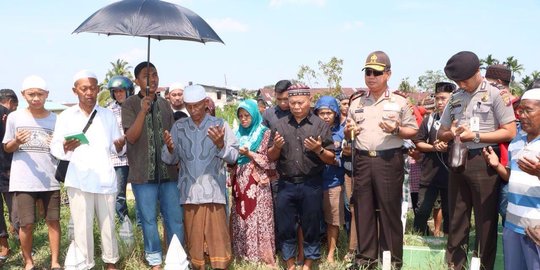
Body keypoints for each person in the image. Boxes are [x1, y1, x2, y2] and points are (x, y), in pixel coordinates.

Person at [438, 51, 516, 270]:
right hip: (458, 159)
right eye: (457, 81)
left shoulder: (495, 95)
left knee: (485, 221)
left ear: (477, 72)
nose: (462, 84)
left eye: (465, 80)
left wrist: (476, 136)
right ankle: (455, 265)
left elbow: (509, 131)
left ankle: (482, 266)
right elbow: (441, 132)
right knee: (457, 218)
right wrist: (450, 132)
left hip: (484, 160)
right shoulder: (455, 97)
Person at [344, 51, 418, 269]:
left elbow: (413, 130)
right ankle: (366, 259)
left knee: (389, 211)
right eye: (368, 72)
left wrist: (396, 129)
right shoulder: (356, 102)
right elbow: (349, 132)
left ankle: (391, 260)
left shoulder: (400, 102)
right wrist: (350, 131)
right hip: (363, 160)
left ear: (388, 74)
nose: (371, 77)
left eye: (376, 72)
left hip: (389, 160)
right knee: (363, 210)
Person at [50, 70, 126, 270]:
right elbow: (55, 147)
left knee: (108, 225)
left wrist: (120, 145)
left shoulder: (108, 115)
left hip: (104, 177)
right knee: (82, 227)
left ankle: (111, 262)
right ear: (75, 91)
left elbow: (118, 146)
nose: (89, 92)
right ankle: (85, 263)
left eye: (93, 88)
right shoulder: (66, 116)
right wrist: (66, 148)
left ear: (98, 89)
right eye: (84, 89)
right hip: (78, 179)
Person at [162, 85, 238, 270]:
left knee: (218, 238)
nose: (193, 110)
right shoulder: (179, 127)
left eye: (197, 105)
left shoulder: (219, 124)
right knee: (194, 240)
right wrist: (171, 149)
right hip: (190, 193)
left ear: (205, 103)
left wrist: (221, 145)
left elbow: (234, 157)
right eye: (189, 106)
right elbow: (168, 159)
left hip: (214, 192)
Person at [121, 62, 184, 269]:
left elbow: (173, 139)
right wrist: (143, 111)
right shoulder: (130, 104)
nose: (153, 79)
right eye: (147, 75)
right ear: (137, 81)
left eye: (155, 74)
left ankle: (177, 258)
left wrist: (170, 143)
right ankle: (155, 259)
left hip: (168, 173)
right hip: (142, 174)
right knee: (148, 219)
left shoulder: (165, 105)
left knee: (174, 218)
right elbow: (131, 137)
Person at [268, 83, 335, 270]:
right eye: (293, 103)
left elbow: (330, 159)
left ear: (309, 101)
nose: (296, 106)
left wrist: (318, 149)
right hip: (286, 184)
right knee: (286, 226)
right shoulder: (279, 125)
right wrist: (277, 147)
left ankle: (307, 263)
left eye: (300, 102)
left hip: (311, 184)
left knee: (311, 226)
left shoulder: (320, 125)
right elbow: (271, 156)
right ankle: (289, 264)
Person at [2, 76, 60, 270]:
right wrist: (17, 142)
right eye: (31, 94)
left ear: (47, 95)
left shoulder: (55, 119)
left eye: (40, 94)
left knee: (53, 221)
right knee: (26, 224)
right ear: (23, 95)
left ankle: (54, 262)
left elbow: (60, 149)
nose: (36, 98)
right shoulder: (14, 117)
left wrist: (56, 144)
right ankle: (28, 261)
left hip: (50, 178)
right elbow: (7, 148)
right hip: (23, 180)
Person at [482, 88, 540, 270]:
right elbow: (511, 177)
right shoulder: (517, 140)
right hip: (513, 225)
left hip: (536, 228)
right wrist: (496, 165)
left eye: (528, 110)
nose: (521, 115)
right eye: (520, 110)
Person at [229, 99, 276, 267]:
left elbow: (268, 160)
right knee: (241, 215)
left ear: (254, 115)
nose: (243, 119)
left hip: (257, 180)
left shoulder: (264, 133)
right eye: (240, 116)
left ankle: (262, 256)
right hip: (240, 178)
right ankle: (243, 254)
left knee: (258, 215)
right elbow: (231, 160)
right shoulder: (236, 133)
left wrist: (250, 154)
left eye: (247, 115)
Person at [412, 82, 455, 236]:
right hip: (429, 175)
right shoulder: (429, 120)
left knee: (451, 213)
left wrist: (448, 146)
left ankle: (450, 245)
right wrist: (433, 147)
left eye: (443, 98)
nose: (439, 102)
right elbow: (418, 142)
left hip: (452, 175)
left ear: (453, 99)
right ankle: (418, 239)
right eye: (437, 98)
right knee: (422, 210)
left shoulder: (459, 120)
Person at [314, 96, 347, 263]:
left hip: (333, 181)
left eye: (329, 113)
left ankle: (331, 254)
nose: (326, 116)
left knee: (332, 220)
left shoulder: (342, 132)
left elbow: (344, 158)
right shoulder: (312, 130)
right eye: (322, 113)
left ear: (335, 113)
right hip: (313, 181)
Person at [485, 64, 515, 226]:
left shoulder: (518, 107)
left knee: (507, 214)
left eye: (488, 84)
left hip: (508, 169)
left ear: (497, 83)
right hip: (492, 166)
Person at [106, 75, 133, 222]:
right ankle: (124, 222)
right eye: (115, 91)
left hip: (136, 156)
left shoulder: (138, 106)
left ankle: (141, 222)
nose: (118, 94)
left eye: (121, 91)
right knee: (119, 193)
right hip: (118, 159)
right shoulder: (109, 110)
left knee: (140, 191)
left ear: (129, 91)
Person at [0, 88, 18, 263]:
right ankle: (22, 239)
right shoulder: (7, 115)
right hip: (7, 167)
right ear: (11, 102)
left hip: (5, 168)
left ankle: (4, 247)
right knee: (15, 207)